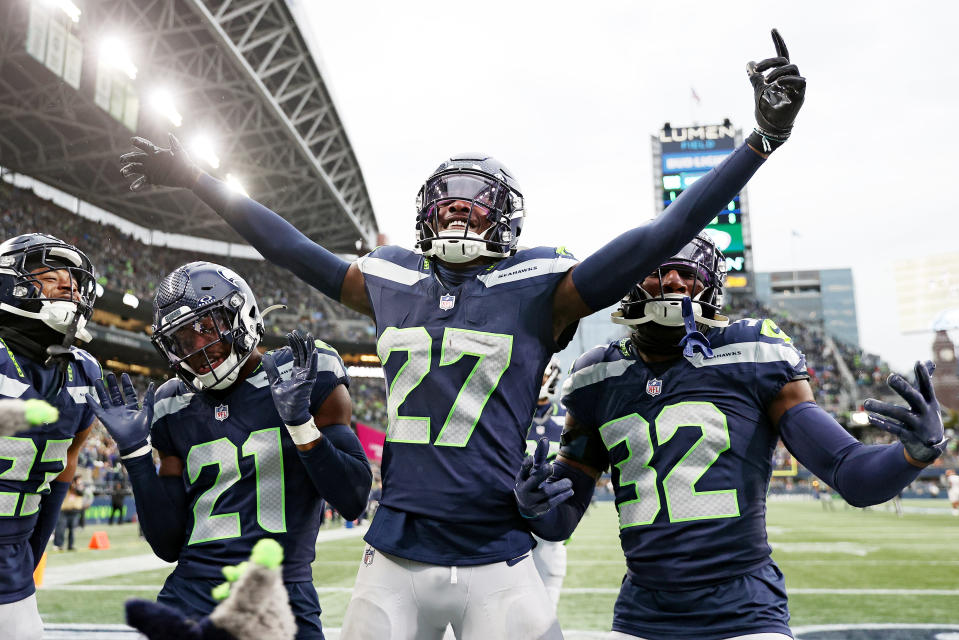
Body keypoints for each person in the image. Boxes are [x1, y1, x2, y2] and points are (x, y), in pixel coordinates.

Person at [118, 30, 806, 640]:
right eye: (446, 199)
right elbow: (292, 249)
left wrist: (760, 143)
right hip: (394, 549)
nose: (457, 210)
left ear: (505, 218)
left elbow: (662, 236)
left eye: (474, 201)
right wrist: (198, 179)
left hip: (498, 551)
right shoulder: (391, 279)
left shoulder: (543, 287)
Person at [516, 232, 948, 640]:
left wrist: (910, 455)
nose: (674, 282)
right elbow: (560, 520)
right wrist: (535, 505)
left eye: (689, 274)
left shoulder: (751, 352)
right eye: (658, 270)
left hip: (744, 612)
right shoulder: (596, 374)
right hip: (641, 615)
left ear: (711, 289)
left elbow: (851, 474)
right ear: (629, 282)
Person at [84, 262, 372, 640]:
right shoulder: (173, 403)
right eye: (183, 340)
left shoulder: (301, 372)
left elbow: (352, 499)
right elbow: (168, 545)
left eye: (206, 329)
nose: (198, 348)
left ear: (242, 314)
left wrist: (301, 424)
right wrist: (136, 455)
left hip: (279, 594)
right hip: (189, 594)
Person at [0, 233, 102, 639]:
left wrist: (31, 553)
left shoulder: (84, 374)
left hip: (12, 559)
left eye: (74, 280)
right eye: (50, 273)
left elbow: (65, 466)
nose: (68, 285)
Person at [524, 359, 568, 609]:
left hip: (550, 525)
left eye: (543, 374)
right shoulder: (513, 413)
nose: (539, 379)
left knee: (545, 610)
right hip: (510, 519)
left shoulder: (566, 416)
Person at [53, 476, 85, 550]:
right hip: (64, 511)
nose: (80, 481)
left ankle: (71, 545)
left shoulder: (81, 487)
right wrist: (72, 484)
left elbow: (80, 492)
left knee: (73, 530)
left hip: (75, 511)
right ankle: (58, 545)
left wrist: (76, 486)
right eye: (79, 480)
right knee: (60, 528)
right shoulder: (68, 486)